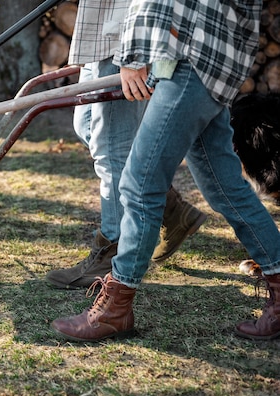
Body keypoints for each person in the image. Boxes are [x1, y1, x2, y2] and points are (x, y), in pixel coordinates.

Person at [51, 0, 280, 341]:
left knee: (139, 186)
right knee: (225, 188)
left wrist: (132, 56)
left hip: (190, 57)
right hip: (213, 58)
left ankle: (115, 308)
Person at [45, 0, 207, 290]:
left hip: (123, 34)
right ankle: (170, 208)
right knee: (86, 128)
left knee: (112, 149)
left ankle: (113, 251)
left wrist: (134, 56)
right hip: (100, 32)